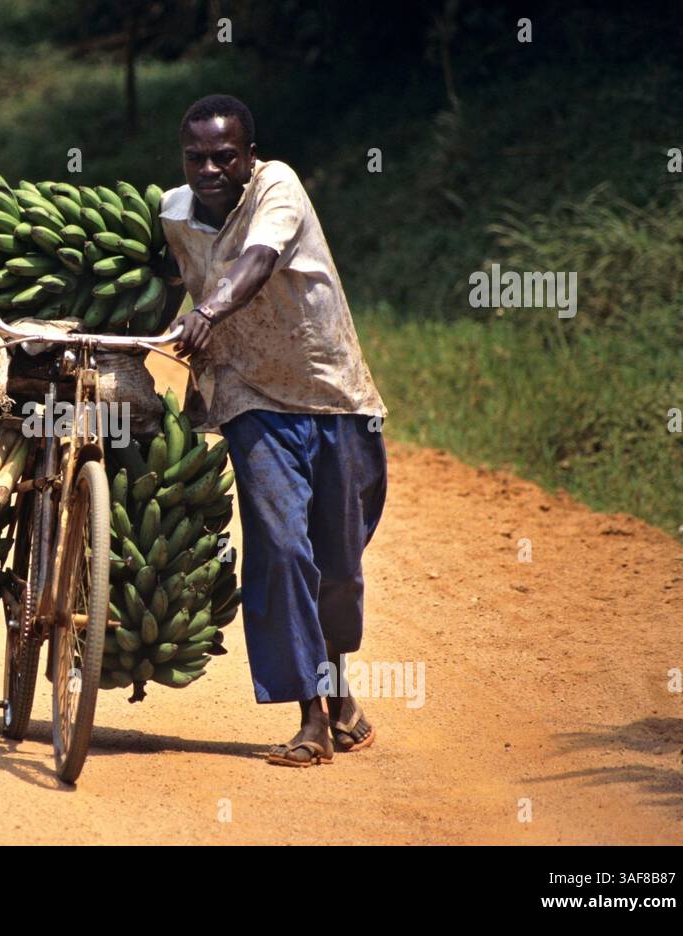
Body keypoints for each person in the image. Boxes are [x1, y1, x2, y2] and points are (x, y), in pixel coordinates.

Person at [158, 94, 388, 767]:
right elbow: (153, 274)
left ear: (248, 157)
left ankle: (338, 686)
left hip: (332, 395)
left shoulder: (277, 188)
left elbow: (255, 264)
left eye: (223, 156)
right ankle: (311, 717)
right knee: (282, 546)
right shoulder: (172, 213)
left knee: (338, 568)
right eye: (196, 157)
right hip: (247, 395)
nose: (208, 170)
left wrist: (208, 309)